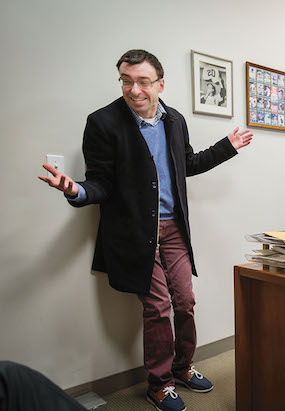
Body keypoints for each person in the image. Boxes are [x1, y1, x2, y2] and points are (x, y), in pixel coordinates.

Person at [38, 49, 253, 411]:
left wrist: (226, 148)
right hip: (135, 234)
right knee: (158, 307)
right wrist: (75, 189)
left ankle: (184, 367)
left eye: (142, 81)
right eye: (126, 80)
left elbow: (187, 163)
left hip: (173, 229)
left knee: (185, 301)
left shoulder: (175, 120)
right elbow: (101, 183)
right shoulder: (103, 122)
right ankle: (159, 384)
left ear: (160, 84)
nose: (133, 89)